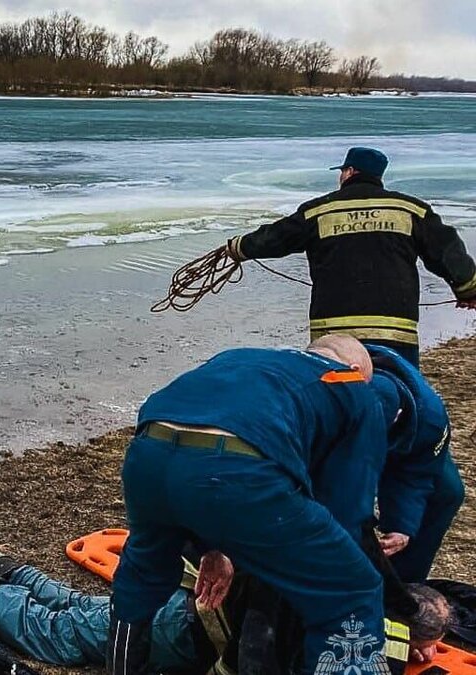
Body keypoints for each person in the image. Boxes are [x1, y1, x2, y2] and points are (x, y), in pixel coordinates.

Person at [108, 335, 399, 675]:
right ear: (353, 368)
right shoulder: (352, 383)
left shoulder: (241, 356)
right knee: (352, 591)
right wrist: (327, 561)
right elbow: (346, 506)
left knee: (142, 575)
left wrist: (212, 547)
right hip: (238, 473)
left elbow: (196, 451)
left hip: (147, 453)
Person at [0, 535, 452, 674]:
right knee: (59, 635)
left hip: (192, 602)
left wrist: (410, 645)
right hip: (188, 626)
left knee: (82, 610)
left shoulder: (352, 594)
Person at [225, 147, 476, 365]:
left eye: (342, 171)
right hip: (395, 330)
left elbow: (276, 238)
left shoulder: (320, 210)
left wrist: (238, 247)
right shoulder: (410, 210)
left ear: (349, 172)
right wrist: (467, 289)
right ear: (378, 175)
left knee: (335, 398)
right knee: (401, 393)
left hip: (333, 332)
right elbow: (447, 252)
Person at [368, 344, 465, 583]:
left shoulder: (430, 419)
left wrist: (401, 526)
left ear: (398, 416)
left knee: (446, 493)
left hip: (407, 433)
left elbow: (415, 475)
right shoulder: (330, 402)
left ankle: (401, 583)